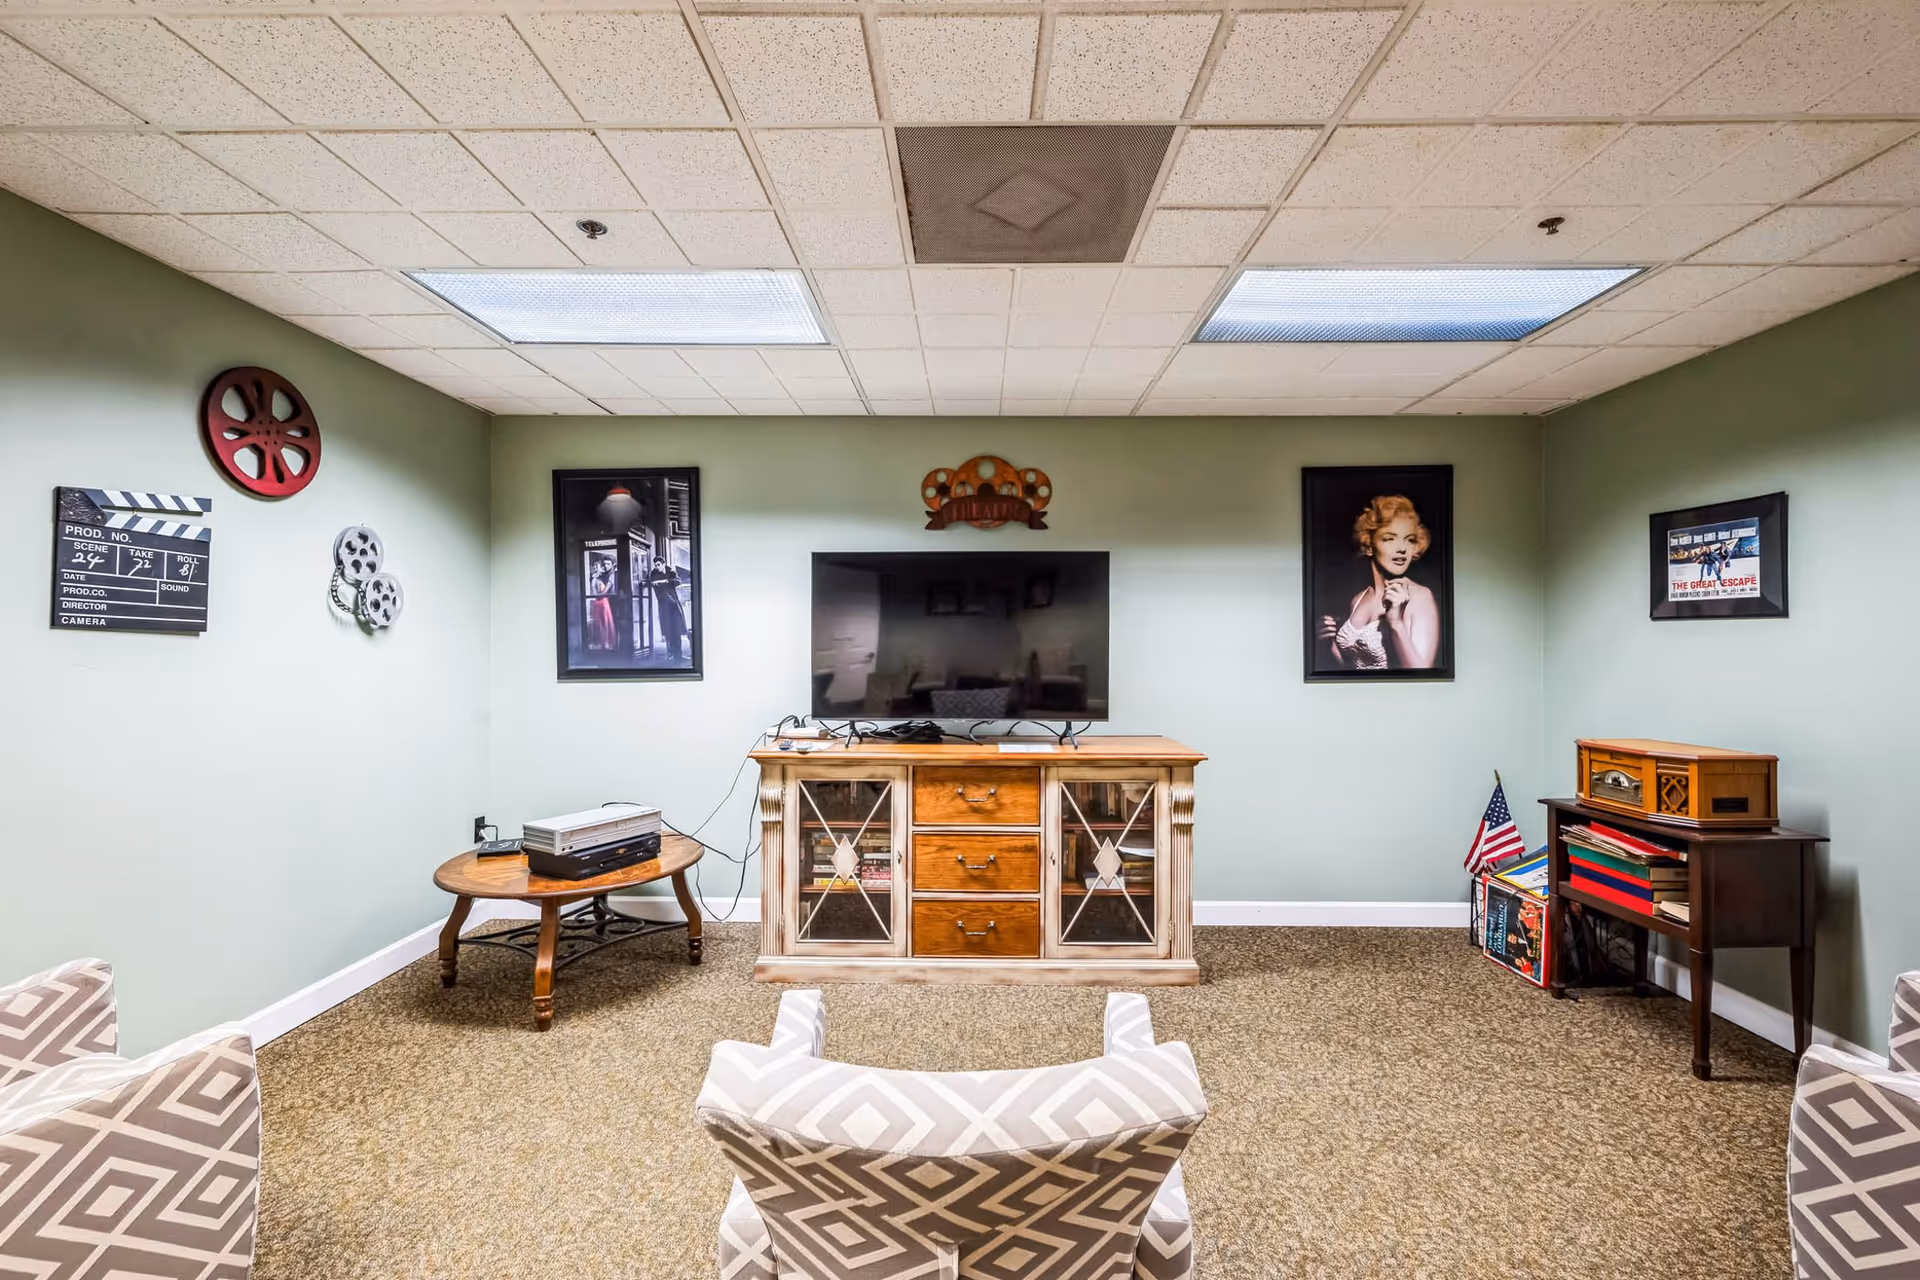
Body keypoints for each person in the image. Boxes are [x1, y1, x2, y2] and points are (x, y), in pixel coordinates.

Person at [1318, 494, 1441, 670]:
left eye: (1410, 540)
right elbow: (1352, 668)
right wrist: (1329, 645)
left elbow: (1421, 674)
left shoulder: (1420, 597)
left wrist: (1396, 623)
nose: (1401, 549)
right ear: (1369, 545)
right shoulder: (1359, 598)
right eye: (1390, 538)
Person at [648, 555, 690, 662]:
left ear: (663, 564)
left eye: (659, 565)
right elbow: (653, 584)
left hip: (674, 605)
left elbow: (678, 581)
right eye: (655, 565)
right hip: (664, 605)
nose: (657, 567)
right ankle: (670, 654)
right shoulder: (654, 573)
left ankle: (678, 655)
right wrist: (664, 583)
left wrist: (665, 581)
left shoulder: (670, 571)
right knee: (668, 630)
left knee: (676, 629)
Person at [585, 556, 616, 651]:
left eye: (597, 567)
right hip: (599, 602)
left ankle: (607, 643)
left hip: (603, 601)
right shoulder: (596, 579)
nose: (605, 567)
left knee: (605, 623)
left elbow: (605, 590)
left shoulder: (608, 576)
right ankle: (603, 643)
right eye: (604, 565)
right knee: (601, 623)